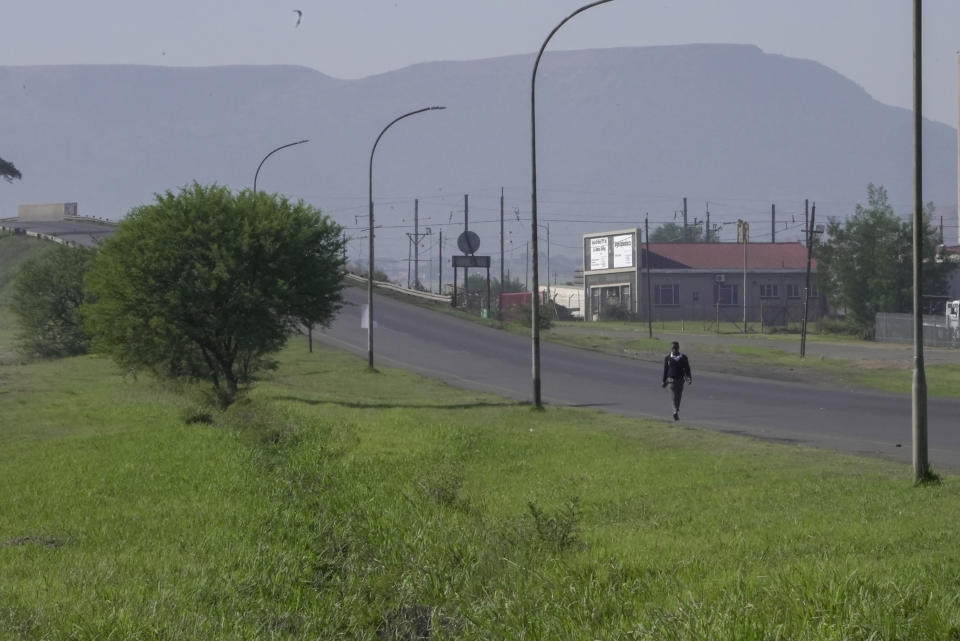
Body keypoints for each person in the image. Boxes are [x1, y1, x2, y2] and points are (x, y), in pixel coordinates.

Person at [662, 341, 692, 421]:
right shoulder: (667, 358)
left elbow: (687, 369)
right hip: (671, 381)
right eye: (673, 348)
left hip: (681, 380)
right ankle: (675, 410)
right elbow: (665, 370)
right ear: (671, 349)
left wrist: (689, 378)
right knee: (674, 396)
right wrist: (663, 381)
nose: (674, 349)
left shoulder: (683, 357)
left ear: (678, 348)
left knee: (679, 396)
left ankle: (676, 410)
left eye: (676, 348)